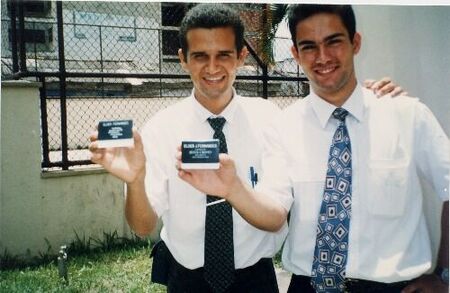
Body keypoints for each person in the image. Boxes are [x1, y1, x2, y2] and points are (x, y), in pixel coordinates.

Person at [90, 4, 408, 293]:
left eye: (223, 55)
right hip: (187, 279)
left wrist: (367, 99)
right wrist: (134, 180)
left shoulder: (270, 120)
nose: (212, 67)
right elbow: (143, 225)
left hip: (255, 279)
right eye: (200, 55)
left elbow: (278, 214)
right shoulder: (161, 128)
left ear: (241, 56)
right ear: (183, 59)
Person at [177, 4, 449, 293]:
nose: (322, 57)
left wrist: (444, 273)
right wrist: (234, 189)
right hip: (308, 286)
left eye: (333, 41)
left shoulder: (407, 116)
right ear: (295, 54)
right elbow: (274, 212)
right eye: (308, 46)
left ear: (355, 43)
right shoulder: (284, 127)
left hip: (394, 287)